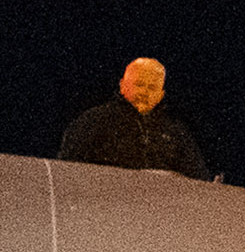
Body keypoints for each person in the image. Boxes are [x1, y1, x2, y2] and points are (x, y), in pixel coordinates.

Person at [55, 56, 215, 179]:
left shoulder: (176, 133)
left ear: (160, 95)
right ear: (123, 85)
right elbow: (67, 172)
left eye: (152, 87)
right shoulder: (94, 121)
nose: (145, 92)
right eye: (139, 84)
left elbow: (198, 179)